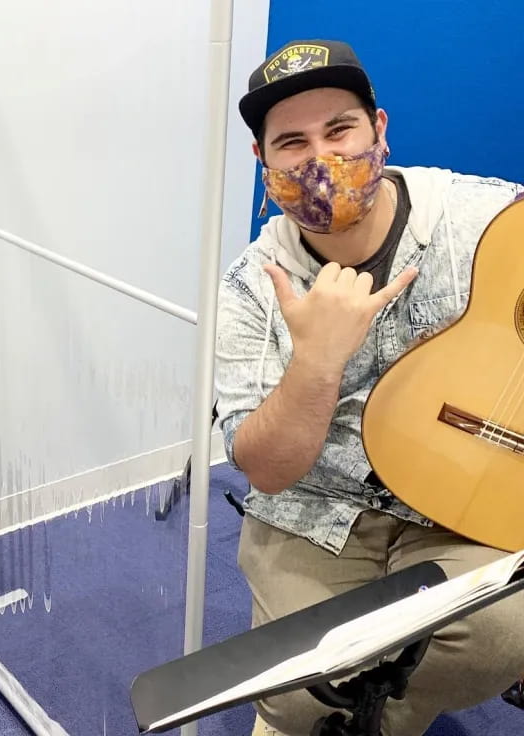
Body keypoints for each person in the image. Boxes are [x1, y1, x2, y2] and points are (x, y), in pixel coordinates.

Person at [215, 39, 524, 736]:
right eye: (290, 143)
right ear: (264, 165)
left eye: (339, 130)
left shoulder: (480, 219)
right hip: (316, 507)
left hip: (467, 489)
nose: (319, 159)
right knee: (296, 694)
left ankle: (370, 718)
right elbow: (265, 467)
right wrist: (316, 363)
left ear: (379, 130)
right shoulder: (248, 289)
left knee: (505, 635)